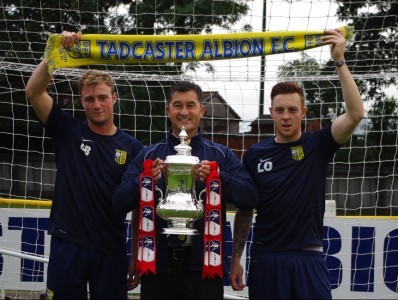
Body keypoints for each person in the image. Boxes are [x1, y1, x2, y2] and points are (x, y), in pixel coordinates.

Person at [229, 28, 364, 299]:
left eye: (292, 110)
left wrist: (339, 60)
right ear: (271, 113)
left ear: (304, 112)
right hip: (267, 257)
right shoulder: (255, 153)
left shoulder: (318, 145)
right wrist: (236, 258)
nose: (286, 116)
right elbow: (246, 210)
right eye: (280, 110)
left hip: (308, 258)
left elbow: (356, 113)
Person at [112, 81, 259, 299]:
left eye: (190, 105)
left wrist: (218, 179)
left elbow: (250, 197)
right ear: (167, 110)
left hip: (205, 267)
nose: (183, 112)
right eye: (177, 105)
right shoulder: (148, 156)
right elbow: (118, 202)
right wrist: (143, 181)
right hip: (158, 266)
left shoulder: (221, 155)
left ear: (201, 110)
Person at [25, 31, 143, 299]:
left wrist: (136, 253)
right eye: (90, 99)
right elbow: (33, 90)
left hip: (110, 249)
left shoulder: (133, 147)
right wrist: (55, 55)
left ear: (114, 98)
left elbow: (138, 206)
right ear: (82, 102)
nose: (96, 104)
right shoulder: (68, 131)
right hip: (68, 244)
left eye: (102, 97)